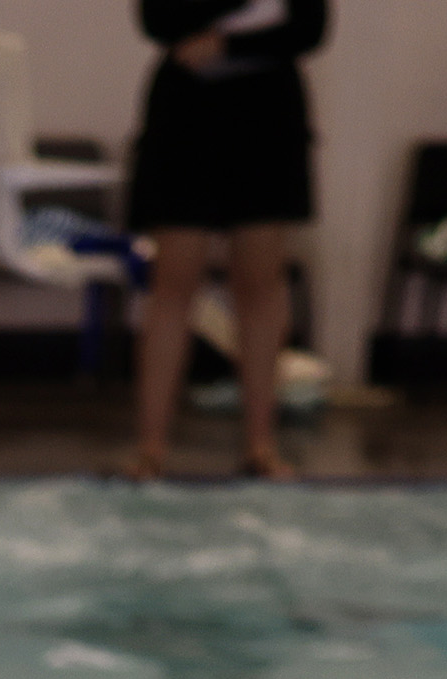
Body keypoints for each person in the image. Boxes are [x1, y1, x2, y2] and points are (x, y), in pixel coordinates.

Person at [124, 0, 332, 482]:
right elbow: (160, 22)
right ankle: (150, 447)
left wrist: (226, 43)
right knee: (173, 282)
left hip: (268, 117)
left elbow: (310, 28)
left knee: (260, 285)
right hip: (187, 115)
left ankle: (260, 445)